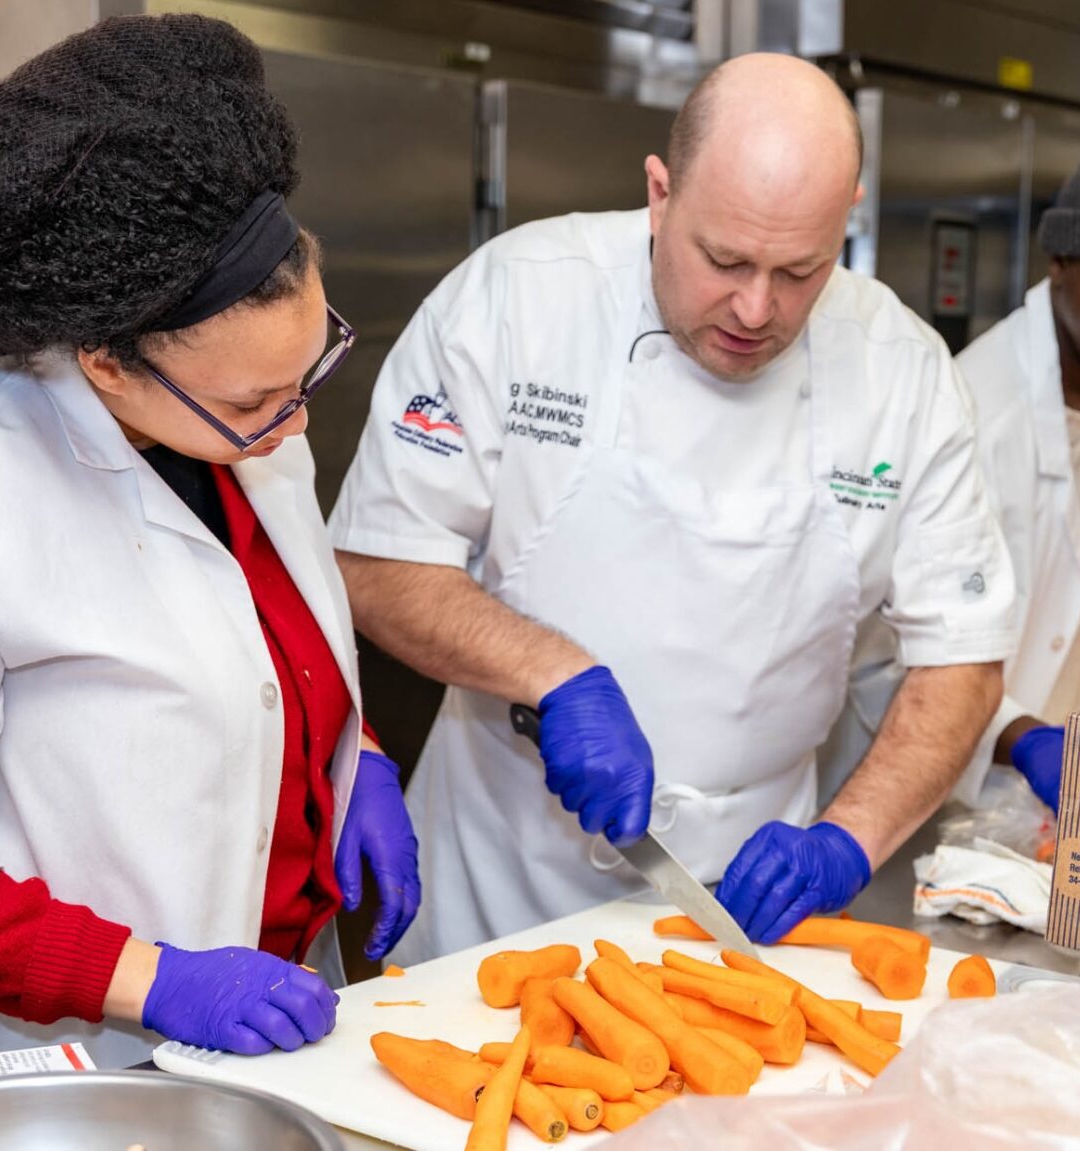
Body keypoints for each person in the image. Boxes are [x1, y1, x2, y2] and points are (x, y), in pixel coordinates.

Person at [0, 15, 420, 1099]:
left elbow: (260, 657)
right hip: (59, 1078)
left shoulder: (246, 438)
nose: (293, 428)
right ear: (105, 364)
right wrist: (149, 976)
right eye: (254, 402)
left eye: (311, 372)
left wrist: (352, 764)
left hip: (278, 1039)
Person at [327, 53, 1017, 962]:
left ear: (847, 219)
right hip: (502, 894)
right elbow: (376, 564)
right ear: (660, 193)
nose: (756, 306)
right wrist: (554, 671)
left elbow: (961, 659)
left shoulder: (904, 369)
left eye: (801, 272)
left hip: (750, 913)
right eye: (723, 258)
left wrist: (849, 838)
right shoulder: (517, 300)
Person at [818, 128, 1080, 813]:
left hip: (1015, 817)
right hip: (916, 811)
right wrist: (1025, 736)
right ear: (1060, 262)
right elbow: (882, 652)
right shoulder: (975, 410)